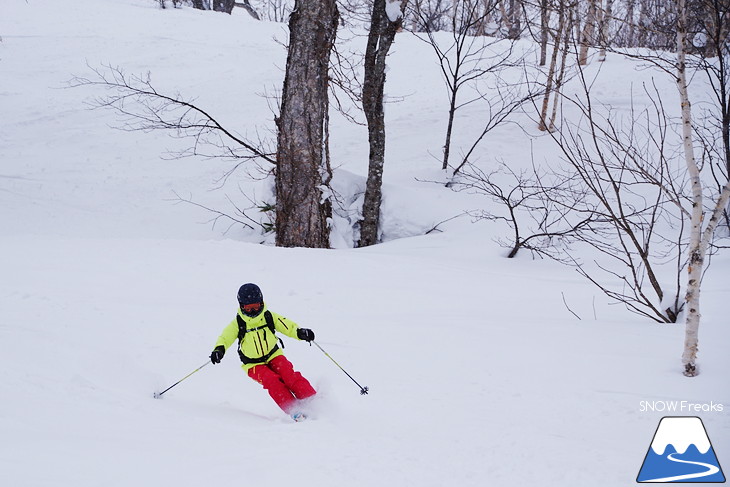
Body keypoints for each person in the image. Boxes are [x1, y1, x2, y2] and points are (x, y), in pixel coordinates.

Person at [210, 283, 317, 421]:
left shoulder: (268, 316)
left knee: (288, 373)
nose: (253, 311)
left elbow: (286, 326)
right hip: (253, 364)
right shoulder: (239, 323)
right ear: (241, 306)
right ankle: (294, 409)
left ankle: (311, 400)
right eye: (249, 308)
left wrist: (299, 332)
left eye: (256, 306)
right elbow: (226, 337)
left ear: (261, 303)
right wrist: (219, 349)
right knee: (271, 380)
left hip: (273, 354)